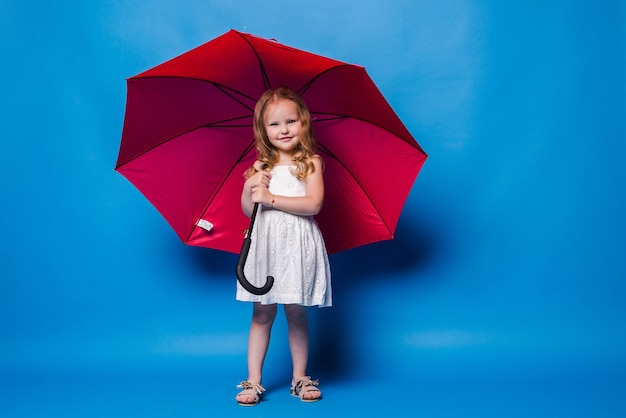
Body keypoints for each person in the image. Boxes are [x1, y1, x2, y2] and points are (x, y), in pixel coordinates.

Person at [235, 86, 332, 406]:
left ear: (303, 122)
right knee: (261, 313)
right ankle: (253, 380)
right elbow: (250, 212)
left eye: (291, 121)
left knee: (296, 311)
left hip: (296, 244)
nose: (284, 129)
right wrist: (252, 188)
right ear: (263, 129)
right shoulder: (259, 167)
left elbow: (314, 203)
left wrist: (273, 198)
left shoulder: (311, 163)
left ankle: (300, 377)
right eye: (274, 124)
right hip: (267, 244)